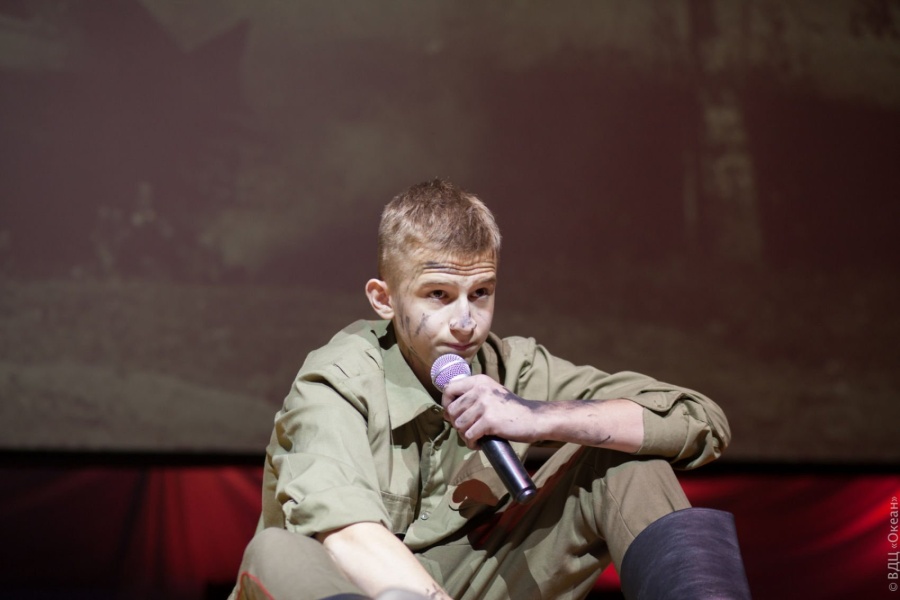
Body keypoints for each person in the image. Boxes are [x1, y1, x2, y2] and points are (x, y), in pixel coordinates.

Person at [230, 179, 750, 600]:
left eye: (480, 293)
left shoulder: (510, 366)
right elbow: (346, 535)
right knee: (278, 550)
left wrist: (538, 416)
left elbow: (698, 419)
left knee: (626, 464)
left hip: (461, 582)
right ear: (384, 299)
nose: (465, 321)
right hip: (348, 587)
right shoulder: (337, 379)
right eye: (438, 294)